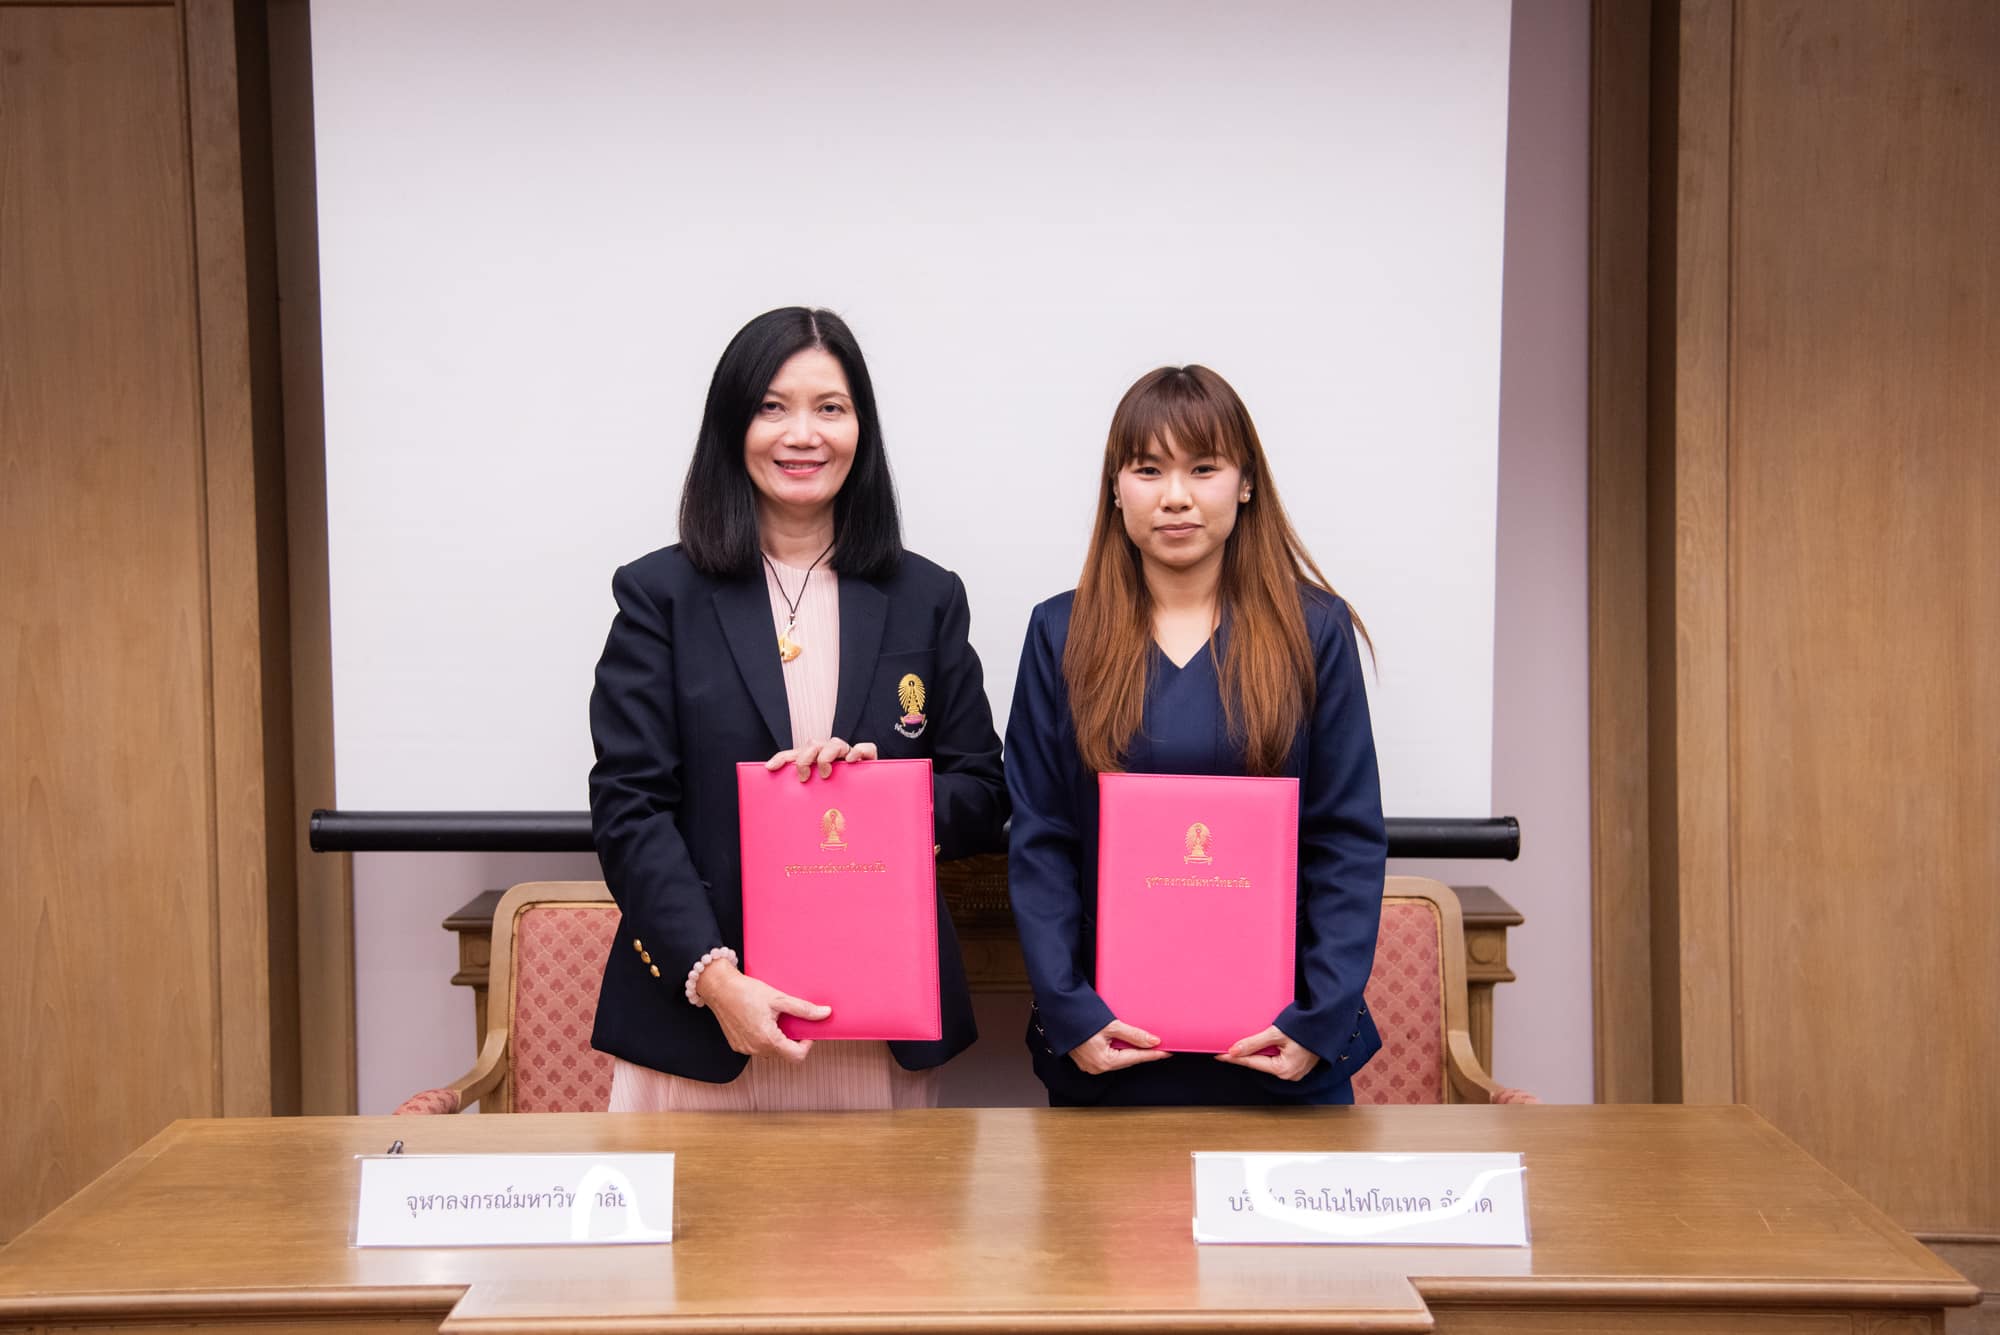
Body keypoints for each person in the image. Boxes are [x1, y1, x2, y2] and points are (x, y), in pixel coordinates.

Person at [589, 306, 1008, 1111]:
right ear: (731, 427)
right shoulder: (660, 596)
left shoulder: (925, 597)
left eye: (831, 407)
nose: (803, 434)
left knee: (880, 1240)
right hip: (704, 1026)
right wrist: (714, 978)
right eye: (772, 407)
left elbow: (982, 791)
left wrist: (891, 794)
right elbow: (630, 809)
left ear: (862, 428)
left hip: (877, 1026)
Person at [1006, 364, 1387, 1106]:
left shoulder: (1317, 632)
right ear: (1116, 489)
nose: (1175, 495)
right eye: (1148, 469)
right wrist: (1073, 1012)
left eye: (1202, 467)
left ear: (1245, 482)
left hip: (1282, 1048)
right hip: (1111, 1048)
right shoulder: (1061, 633)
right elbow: (1041, 838)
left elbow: (1346, 837)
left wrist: (1315, 1022)